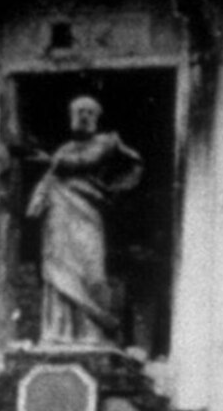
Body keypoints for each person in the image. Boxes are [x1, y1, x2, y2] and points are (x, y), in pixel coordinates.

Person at [25, 94, 144, 347]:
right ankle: (60, 331)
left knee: (92, 271)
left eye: (90, 112)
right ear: (71, 116)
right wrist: (37, 200)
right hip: (59, 213)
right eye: (79, 111)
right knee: (60, 266)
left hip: (88, 209)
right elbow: (50, 178)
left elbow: (88, 161)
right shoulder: (64, 148)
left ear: (97, 118)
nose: (84, 116)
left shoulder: (105, 142)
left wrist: (115, 188)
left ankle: (92, 332)